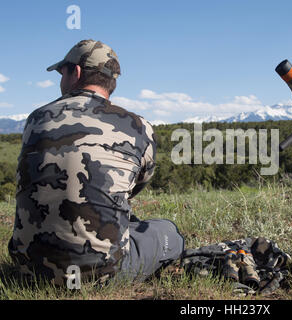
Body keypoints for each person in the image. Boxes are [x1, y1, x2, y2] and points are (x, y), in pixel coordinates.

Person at [8, 39, 184, 286]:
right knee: (168, 231)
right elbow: (134, 187)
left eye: (62, 72)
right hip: (102, 274)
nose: (60, 80)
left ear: (75, 72)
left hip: (30, 268)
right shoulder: (139, 126)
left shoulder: (36, 119)